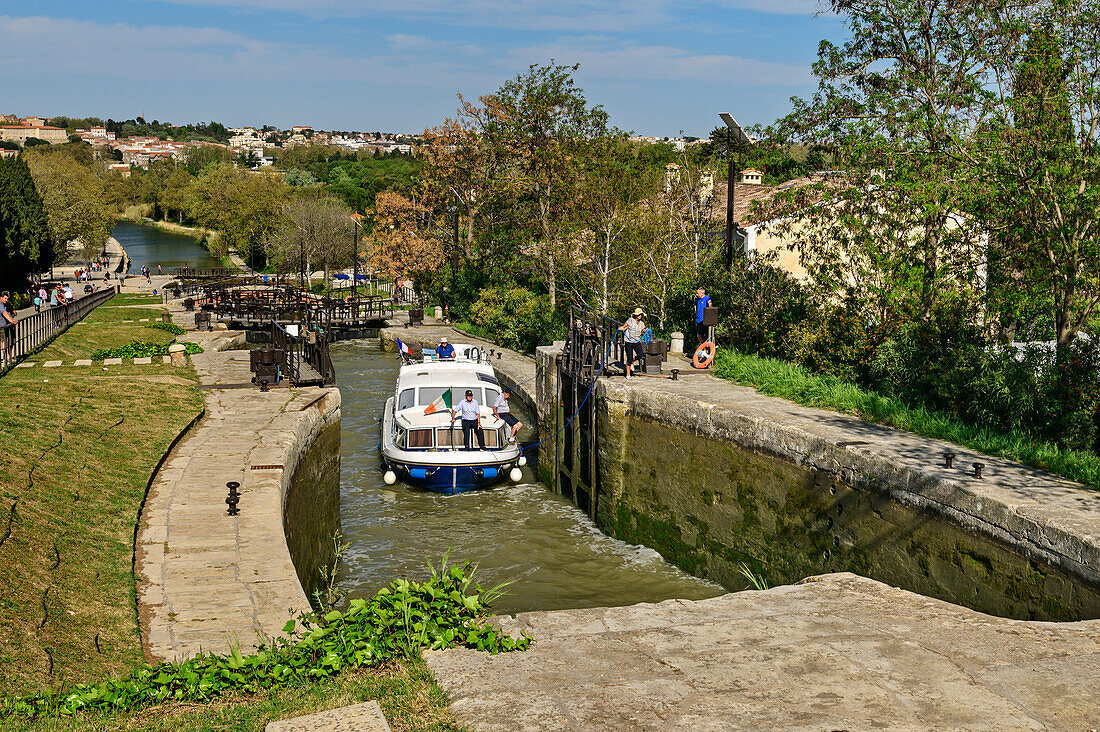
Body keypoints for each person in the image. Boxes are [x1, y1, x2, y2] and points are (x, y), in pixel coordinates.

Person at [618, 307, 646, 380]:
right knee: (629, 358)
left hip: (637, 342)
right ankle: (628, 374)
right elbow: (625, 327)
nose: (640, 316)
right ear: (635, 315)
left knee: (640, 355)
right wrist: (621, 328)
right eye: (639, 314)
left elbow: (642, 330)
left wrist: (646, 330)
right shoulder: (630, 320)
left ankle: (632, 362)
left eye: (641, 314)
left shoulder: (641, 323)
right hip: (629, 342)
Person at [0, 291, 17, 365]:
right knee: (4, 341)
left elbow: (8, 313)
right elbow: (4, 313)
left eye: (7, 299)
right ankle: (7, 357)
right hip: (1, 326)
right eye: (5, 298)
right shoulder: (0, 305)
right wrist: (12, 321)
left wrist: (12, 320)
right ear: (1, 297)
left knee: (6, 340)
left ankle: (7, 356)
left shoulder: (4, 304)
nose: (6, 300)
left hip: (4, 325)